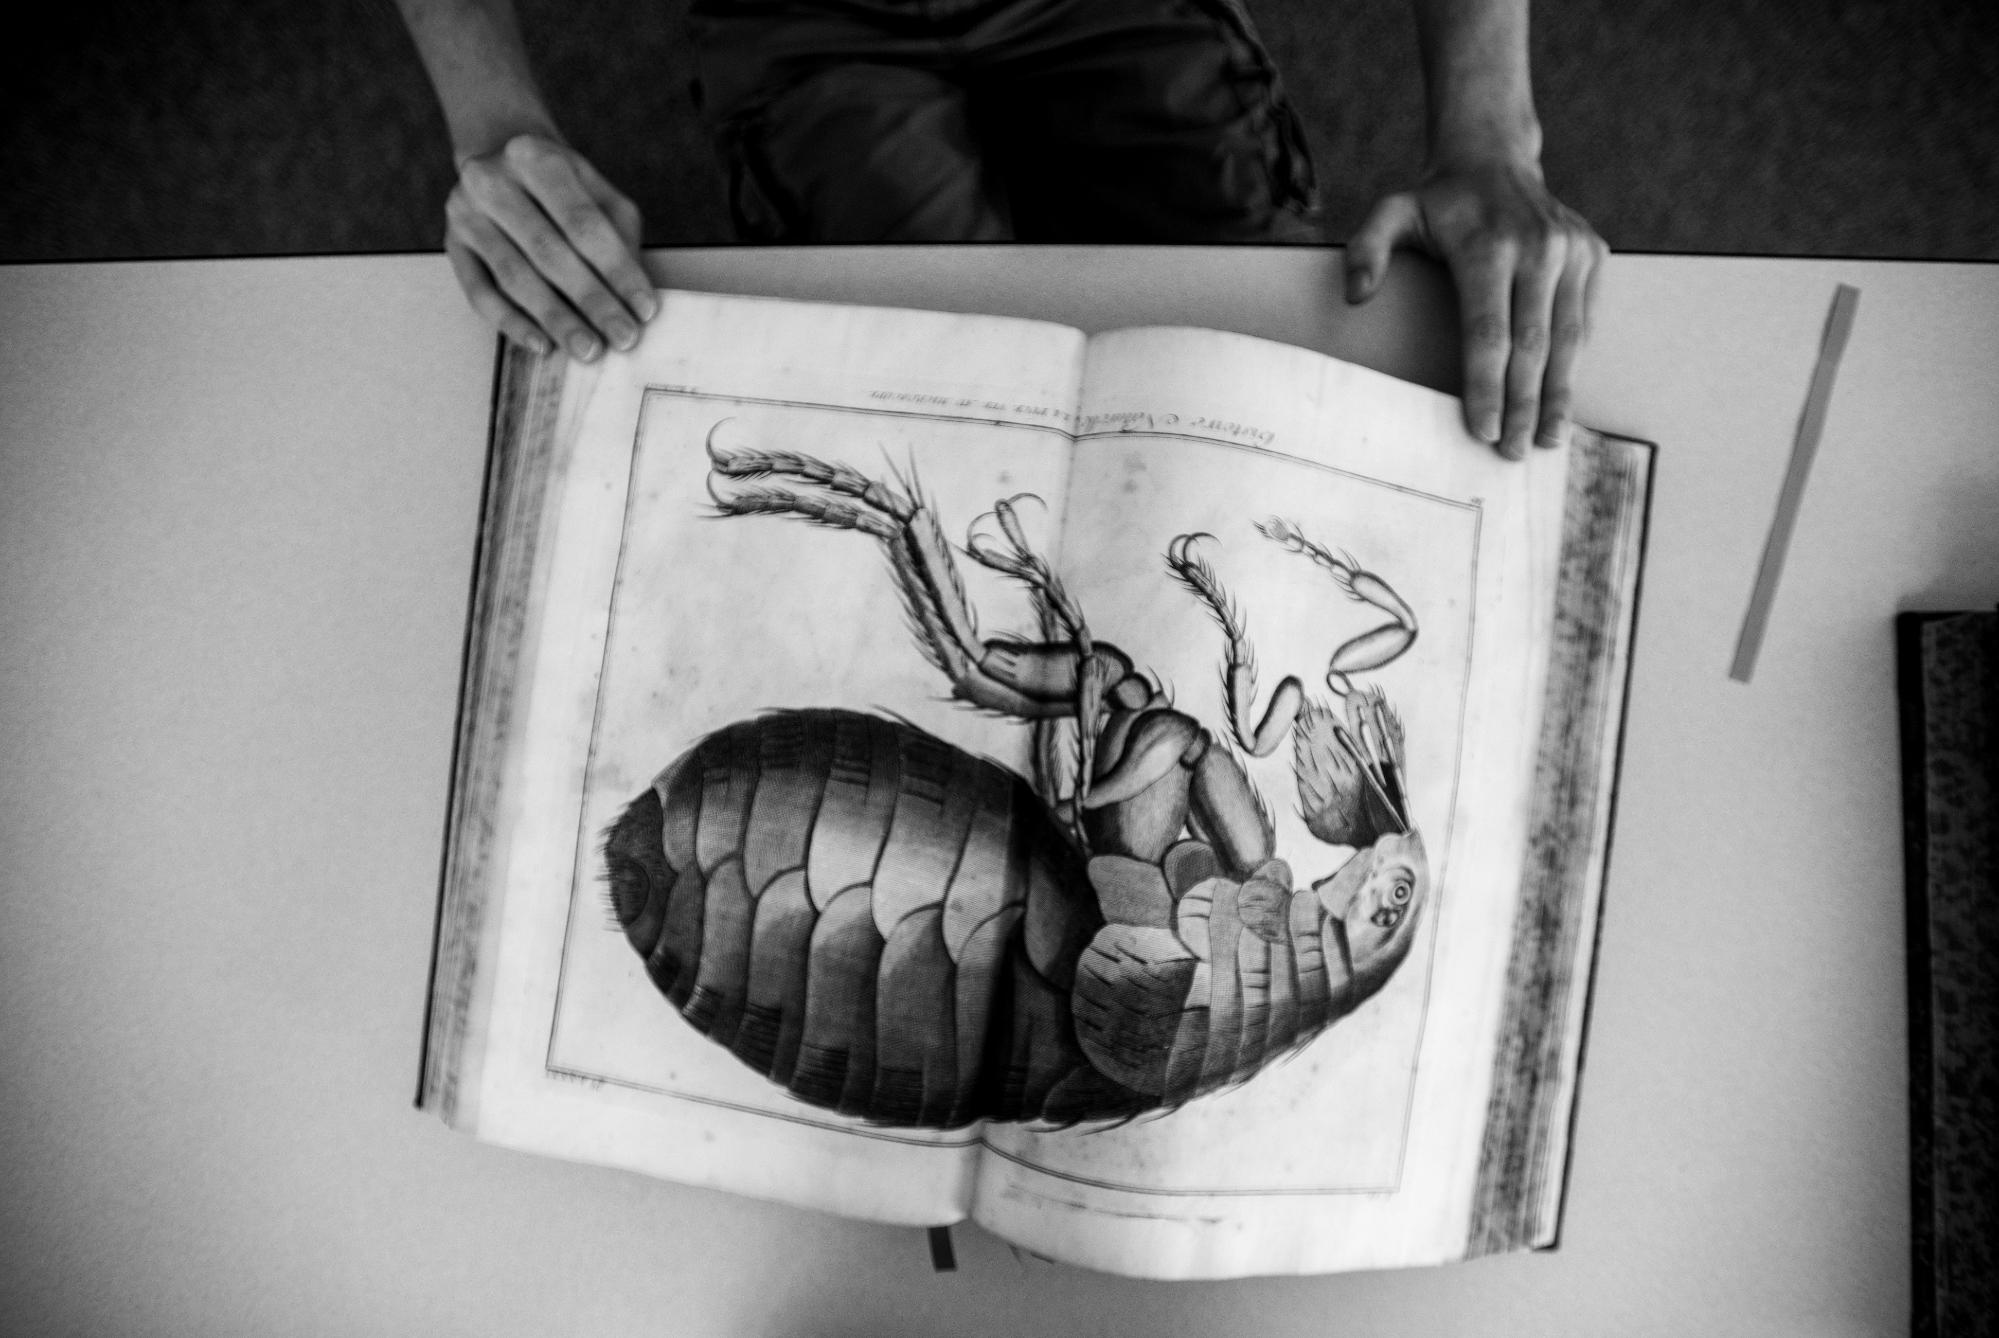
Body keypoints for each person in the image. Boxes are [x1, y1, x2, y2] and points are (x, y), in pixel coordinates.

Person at [395, 0, 1605, 460]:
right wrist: (495, 123)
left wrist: (1490, 132)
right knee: (917, 421)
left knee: (1248, 390)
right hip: (799, 16)